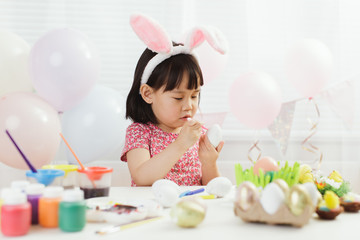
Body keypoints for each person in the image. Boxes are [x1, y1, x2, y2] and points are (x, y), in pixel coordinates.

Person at [121, 13, 228, 186]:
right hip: (154, 211)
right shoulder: (139, 133)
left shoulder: (197, 134)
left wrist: (209, 162)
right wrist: (180, 145)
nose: (189, 105)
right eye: (178, 97)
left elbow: (212, 189)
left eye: (194, 95)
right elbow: (141, 178)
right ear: (148, 94)